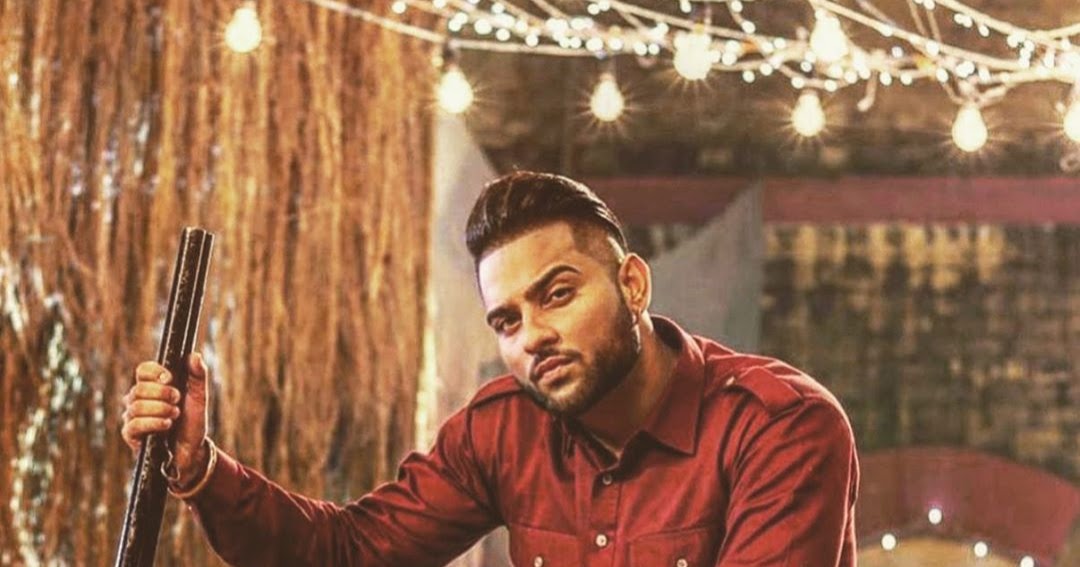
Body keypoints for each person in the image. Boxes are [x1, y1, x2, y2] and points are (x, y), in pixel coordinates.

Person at [121, 171, 859, 566]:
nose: (533, 336)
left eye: (558, 294)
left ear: (632, 284)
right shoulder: (501, 431)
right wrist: (200, 468)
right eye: (507, 320)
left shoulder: (780, 427)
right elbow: (348, 552)